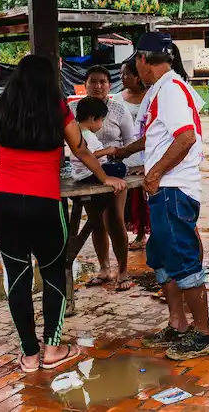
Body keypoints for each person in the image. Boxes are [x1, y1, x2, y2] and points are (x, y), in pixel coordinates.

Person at [0, 55, 125, 372]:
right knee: (52, 275)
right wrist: (104, 178)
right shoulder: (57, 110)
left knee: (18, 279)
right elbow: (81, 149)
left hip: (3, 204)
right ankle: (52, 349)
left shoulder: (0, 111)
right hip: (44, 204)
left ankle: (30, 355)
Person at [113, 32, 209, 361]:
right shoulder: (163, 89)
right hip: (164, 188)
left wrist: (156, 172)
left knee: (183, 260)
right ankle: (177, 324)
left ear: (143, 60)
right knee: (162, 259)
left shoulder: (171, 90)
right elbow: (153, 137)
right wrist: (121, 152)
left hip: (173, 188)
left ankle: (204, 334)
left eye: (135, 62)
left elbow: (185, 136)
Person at [70, 66, 134, 291]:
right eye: (93, 81)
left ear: (109, 84)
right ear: (85, 83)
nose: (98, 86)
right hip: (87, 175)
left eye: (103, 82)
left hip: (112, 172)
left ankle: (123, 270)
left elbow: (130, 141)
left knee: (115, 221)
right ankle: (104, 269)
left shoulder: (118, 109)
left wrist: (129, 166)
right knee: (95, 222)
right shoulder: (73, 108)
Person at [112, 58, 150, 251]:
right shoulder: (117, 99)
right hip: (124, 155)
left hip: (146, 156)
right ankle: (127, 235)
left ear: (137, 76)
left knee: (144, 200)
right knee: (125, 201)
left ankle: (143, 235)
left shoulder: (152, 97)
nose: (121, 77)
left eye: (125, 74)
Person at [69, 97, 115, 181]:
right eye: (102, 120)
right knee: (120, 168)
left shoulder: (77, 132)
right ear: (93, 119)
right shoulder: (87, 136)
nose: (102, 124)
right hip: (90, 173)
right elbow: (89, 156)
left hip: (79, 174)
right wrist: (107, 151)